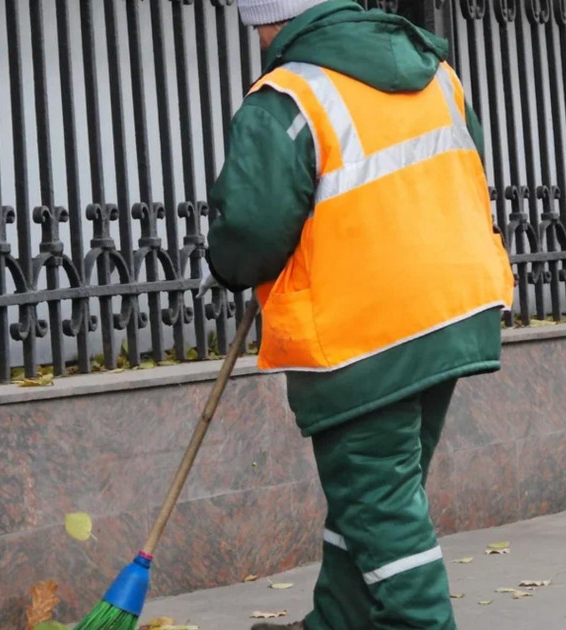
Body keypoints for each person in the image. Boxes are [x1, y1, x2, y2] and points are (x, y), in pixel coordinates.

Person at [200, 1, 514, 629]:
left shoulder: (287, 95)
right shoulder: (434, 72)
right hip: (454, 309)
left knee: (382, 509)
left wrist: (232, 265)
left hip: (362, 334)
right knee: (371, 501)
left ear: (271, 22)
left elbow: (252, 227)